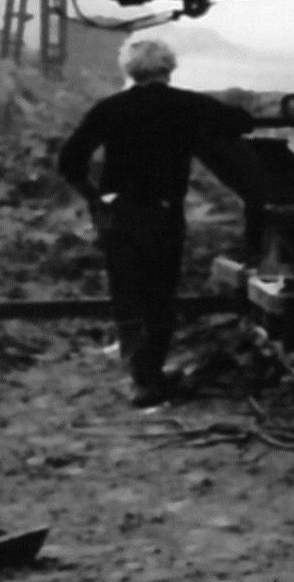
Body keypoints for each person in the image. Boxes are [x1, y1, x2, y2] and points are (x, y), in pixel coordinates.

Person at [56, 35, 257, 408]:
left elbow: (69, 160)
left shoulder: (110, 108)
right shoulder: (186, 105)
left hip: (118, 214)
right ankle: (149, 379)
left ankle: (141, 375)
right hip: (162, 212)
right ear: (169, 67)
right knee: (159, 296)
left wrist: (94, 198)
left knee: (126, 294)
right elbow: (241, 122)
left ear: (129, 69)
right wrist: (228, 102)